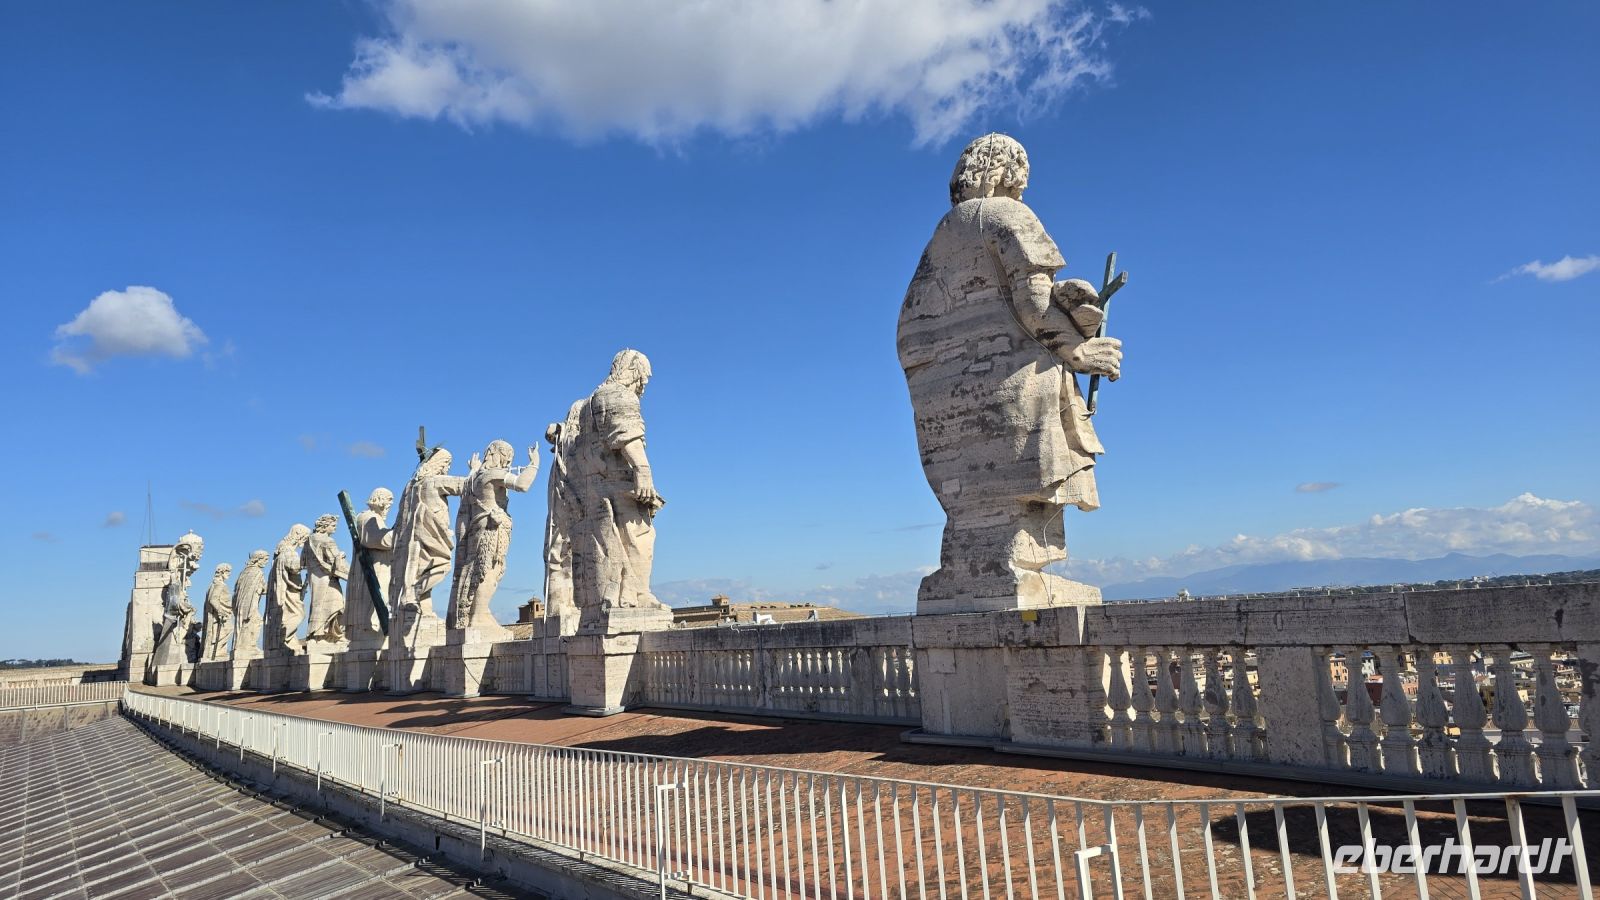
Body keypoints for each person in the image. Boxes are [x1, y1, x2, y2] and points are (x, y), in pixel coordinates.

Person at [896, 133, 1124, 610]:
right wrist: (1080, 352)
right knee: (1016, 499)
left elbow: (910, 333)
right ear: (1005, 172)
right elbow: (1034, 304)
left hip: (946, 408)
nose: (1022, 190)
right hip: (1012, 388)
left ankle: (966, 569)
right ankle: (1011, 566)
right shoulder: (1007, 216)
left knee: (977, 507)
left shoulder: (940, 241)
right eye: (1020, 179)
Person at [569, 349, 671, 629]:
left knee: (609, 543)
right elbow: (627, 436)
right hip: (618, 482)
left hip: (595, 488)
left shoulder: (588, 404)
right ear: (634, 371)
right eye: (644, 377)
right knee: (639, 534)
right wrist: (643, 472)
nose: (644, 385)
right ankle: (636, 594)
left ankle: (620, 595)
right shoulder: (619, 395)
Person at [448, 440, 539, 630]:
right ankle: (479, 615)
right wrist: (534, 463)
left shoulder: (475, 478)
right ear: (499, 455)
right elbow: (522, 484)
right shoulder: (493, 474)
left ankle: (473, 614)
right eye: (507, 457)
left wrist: (473, 469)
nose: (508, 462)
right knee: (491, 569)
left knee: (476, 569)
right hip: (493, 527)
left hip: (477, 526)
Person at [344, 487, 394, 645]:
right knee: (375, 602)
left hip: (375, 566)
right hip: (376, 568)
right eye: (388, 502)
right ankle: (372, 633)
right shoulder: (369, 518)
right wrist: (401, 532)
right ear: (380, 501)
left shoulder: (368, 517)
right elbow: (379, 539)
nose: (389, 507)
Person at [302, 514, 350, 642]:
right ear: (325, 526)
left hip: (315, 578)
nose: (335, 528)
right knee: (336, 604)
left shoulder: (309, 540)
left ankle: (321, 635)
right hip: (327, 579)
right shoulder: (328, 541)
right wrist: (352, 573)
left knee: (318, 605)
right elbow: (336, 563)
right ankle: (328, 636)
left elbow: (303, 562)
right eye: (333, 525)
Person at [264, 524, 310, 653]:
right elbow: (294, 566)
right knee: (298, 614)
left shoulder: (282, 550)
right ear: (298, 535)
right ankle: (284, 639)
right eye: (305, 537)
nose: (305, 541)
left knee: (289, 616)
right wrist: (310, 559)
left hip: (290, 590)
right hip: (288, 593)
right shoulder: (288, 551)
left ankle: (287, 639)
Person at [201, 563, 233, 661]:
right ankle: (217, 652)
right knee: (228, 628)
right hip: (219, 616)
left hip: (217, 614)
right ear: (222, 572)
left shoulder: (213, 584)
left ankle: (218, 651)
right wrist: (220, 611)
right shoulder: (219, 584)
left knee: (224, 630)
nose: (229, 574)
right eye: (228, 572)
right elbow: (213, 599)